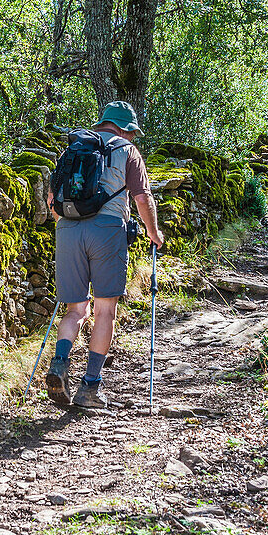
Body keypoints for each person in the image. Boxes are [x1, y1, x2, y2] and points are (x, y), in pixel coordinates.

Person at [45, 100, 164, 409]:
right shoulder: (128, 152)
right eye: (132, 133)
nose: (133, 138)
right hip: (107, 230)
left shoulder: (74, 148)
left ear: (102, 124)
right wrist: (153, 233)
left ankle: (59, 363)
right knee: (104, 310)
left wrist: (68, 226)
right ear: (125, 129)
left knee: (75, 310)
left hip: (68, 230)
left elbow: (51, 198)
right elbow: (142, 197)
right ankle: (90, 388)